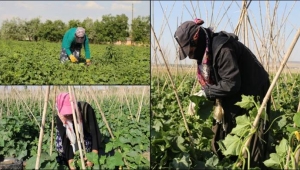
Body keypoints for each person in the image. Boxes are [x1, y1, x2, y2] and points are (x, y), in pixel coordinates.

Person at [174, 18, 270, 169]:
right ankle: (225, 163)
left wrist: (207, 93)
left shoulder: (222, 49)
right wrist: (205, 95)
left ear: (196, 40)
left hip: (254, 91)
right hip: (234, 92)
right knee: (220, 135)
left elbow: (231, 83)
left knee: (252, 140)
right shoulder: (206, 52)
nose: (190, 56)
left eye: (190, 50)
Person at [55, 92, 102, 169]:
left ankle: (85, 155)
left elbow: (95, 133)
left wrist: (93, 157)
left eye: (70, 112)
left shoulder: (86, 109)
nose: (68, 115)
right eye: (66, 113)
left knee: (86, 148)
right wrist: (71, 162)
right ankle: (66, 158)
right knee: (61, 146)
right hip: (70, 140)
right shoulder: (60, 117)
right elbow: (65, 140)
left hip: (84, 135)